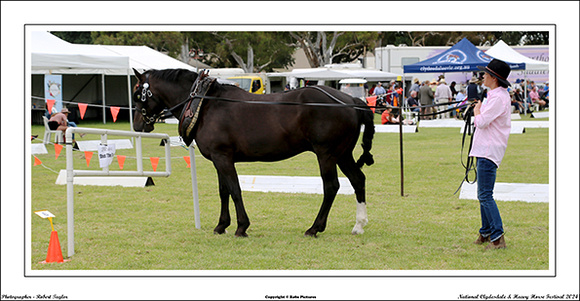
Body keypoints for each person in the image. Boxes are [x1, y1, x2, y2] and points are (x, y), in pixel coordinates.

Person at [470, 59, 512, 250]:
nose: (483, 77)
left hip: (489, 149)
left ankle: (497, 236)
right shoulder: (495, 95)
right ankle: (486, 232)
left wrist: (477, 111)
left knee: (485, 195)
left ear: (494, 78)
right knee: (483, 194)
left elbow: (482, 122)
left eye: (486, 74)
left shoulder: (497, 98)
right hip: (485, 148)